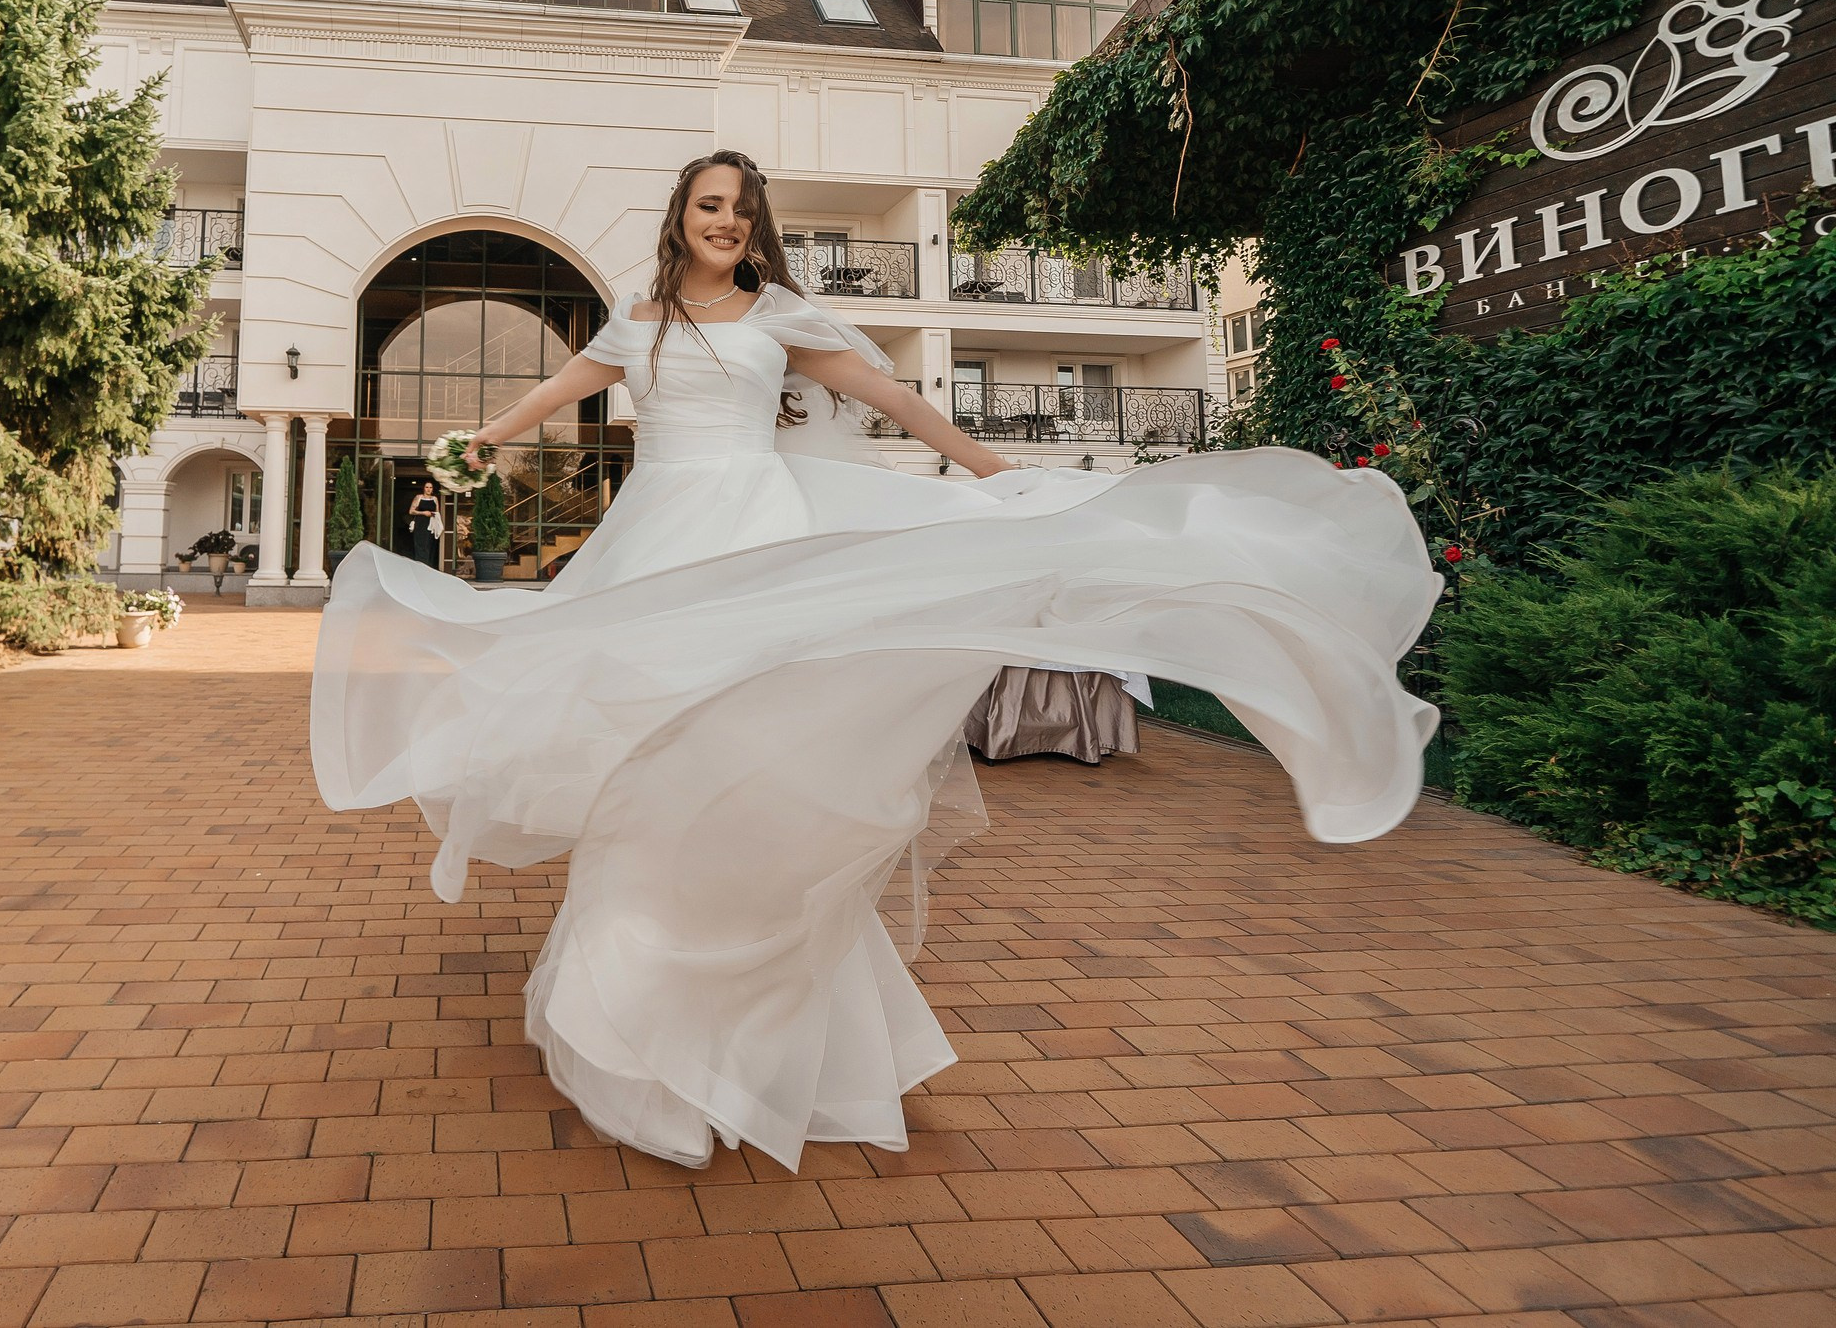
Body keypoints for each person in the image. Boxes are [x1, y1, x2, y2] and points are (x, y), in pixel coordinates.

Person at [312, 149, 1439, 1171]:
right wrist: (476, 443)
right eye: (708, 206)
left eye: (741, 211)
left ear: (755, 228)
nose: (725, 222)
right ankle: (648, 1011)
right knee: (648, 761)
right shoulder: (638, 319)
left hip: (757, 535)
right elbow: (555, 394)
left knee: (749, 759)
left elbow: (888, 394)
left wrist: (995, 472)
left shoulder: (778, 316)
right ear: (680, 217)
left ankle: (740, 1018)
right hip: (656, 543)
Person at [404, 480, 441, 569]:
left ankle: (428, 566)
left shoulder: (435, 499)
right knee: (420, 544)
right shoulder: (419, 497)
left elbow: (437, 512)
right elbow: (411, 511)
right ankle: (419, 566)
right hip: (420, 523)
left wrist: (432, 515)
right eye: (427, 487)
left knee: (429, 545)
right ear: (424, 488)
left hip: (431, 524)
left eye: (430, 487)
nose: (428, 489)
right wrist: (423, 513)